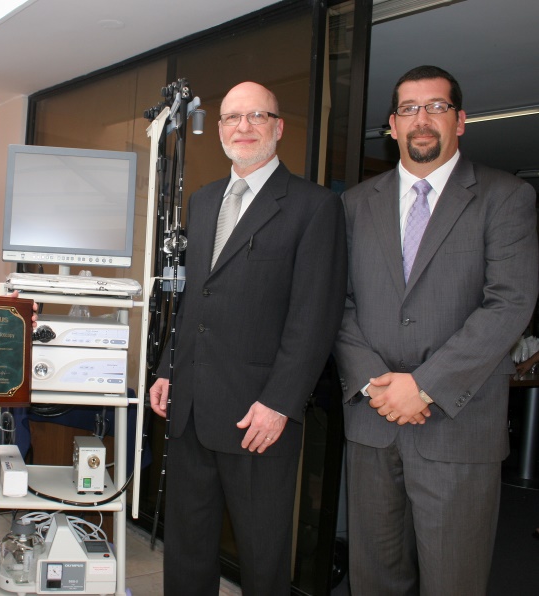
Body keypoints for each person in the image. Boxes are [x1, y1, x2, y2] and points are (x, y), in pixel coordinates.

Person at [334, 65, 538, 595]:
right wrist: (377, 382)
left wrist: (422, 386)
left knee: (453, 582)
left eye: (437, 107)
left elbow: (510, 302)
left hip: (458, 428)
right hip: (372, 424)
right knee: (373, 580)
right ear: (392, 126)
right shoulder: (354, 206)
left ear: (461, 120)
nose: (422, 119)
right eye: (409, 109)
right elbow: (338, 302)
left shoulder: (505, 197)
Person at [149, 81, 347, 595]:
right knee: (187, 552)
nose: (243, 127)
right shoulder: (205, 198)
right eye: (233, 118)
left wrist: (279, 402)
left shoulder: (313, 207)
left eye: (256, 116)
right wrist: (169, 369)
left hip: (258, 418)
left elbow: (314, 317)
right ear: (219, 131)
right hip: (190, 411)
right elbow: (196, 301)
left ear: (278, 129)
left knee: (262, 559)